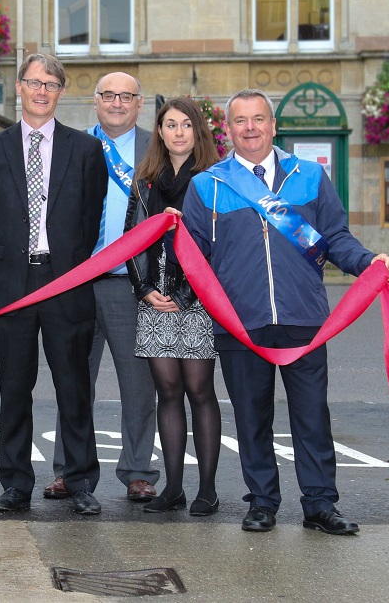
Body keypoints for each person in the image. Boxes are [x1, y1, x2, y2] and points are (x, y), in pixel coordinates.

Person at [183, 89, 389, 535]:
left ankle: (320, 505)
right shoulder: (208, 185)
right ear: (228, 129)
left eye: (258, 119)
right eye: (240, 120)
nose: (250, 128)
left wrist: (367, 263)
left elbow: (336, 238)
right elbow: (194, 259)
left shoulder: (309, 177)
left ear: (273, 125)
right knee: (251, 416)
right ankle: (262, 502)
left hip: (303, 318)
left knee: (311, 416)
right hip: (241, 325)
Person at [0, 53, 106, 515]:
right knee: (14, 387)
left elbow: (90, 219)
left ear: (60, 91)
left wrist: (65, 259)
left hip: (67, 280)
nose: (41, 91)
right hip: (13, 281)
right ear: (19, 87)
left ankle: (79, 480)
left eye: (50, 84)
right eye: (34, 82)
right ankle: (14, 483)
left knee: (73, 387)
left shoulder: (87, 150)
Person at [46, 72, 159, 503]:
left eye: (125, 96)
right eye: (108, 95)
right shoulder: (71, 144)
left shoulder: (157, 148)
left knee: (138, 382)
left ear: (139, 102)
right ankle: (68, 470)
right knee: (72, 379)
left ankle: (137, 471)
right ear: (95, 102)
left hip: (131, 285)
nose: (116, 103)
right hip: (76, 279)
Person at [125, 97, 221, 516]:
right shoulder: (145, 180)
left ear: (197, 131)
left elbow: (220, 245)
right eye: (169, 125)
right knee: (168, 392)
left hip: (197, 301)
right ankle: (174, 489)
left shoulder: (214, 179)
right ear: (159, 133)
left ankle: (207, 490)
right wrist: (143, 289)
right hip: (154, 300)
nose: (178, 131)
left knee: (200, 392)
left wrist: (186, 296)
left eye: (185, 124)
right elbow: (130, 239)